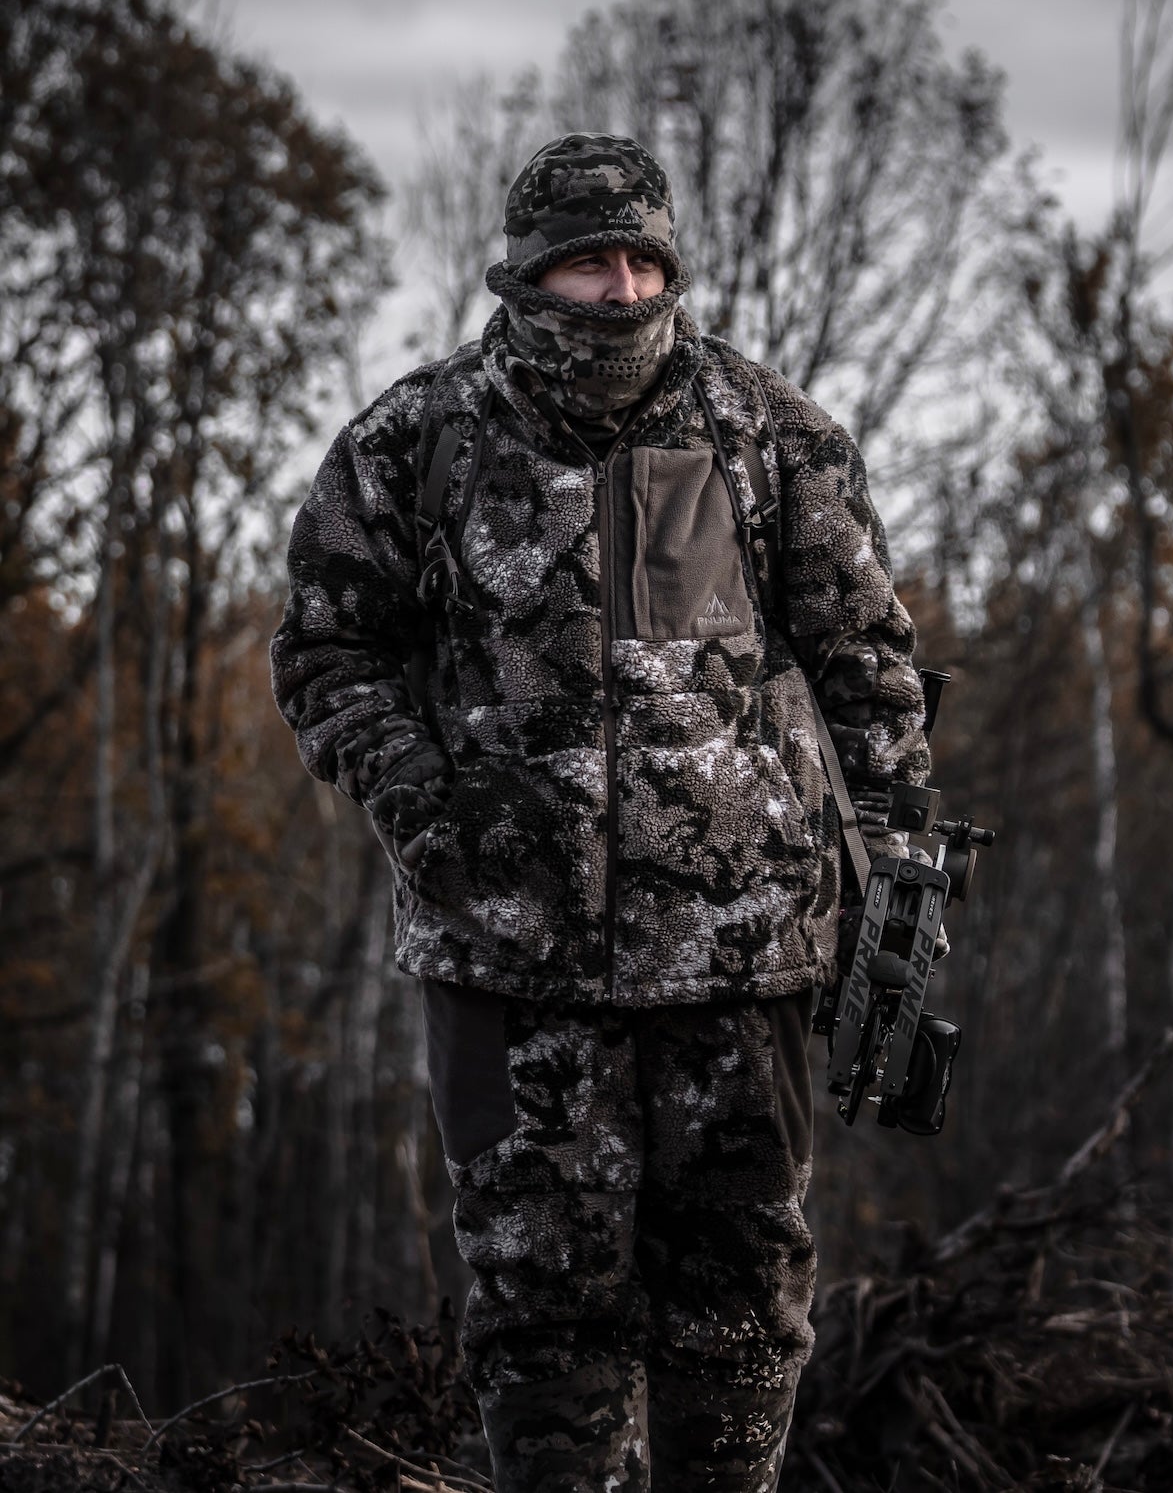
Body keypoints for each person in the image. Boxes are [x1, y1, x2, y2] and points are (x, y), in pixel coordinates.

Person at [270, 133, 930, 1491]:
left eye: (643, 260)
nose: (622, 289)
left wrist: (902, 882)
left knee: (742, 1318)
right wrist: (425, 807)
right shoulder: (415, 440)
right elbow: (327, 651)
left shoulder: (773, 434)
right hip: (512, 968)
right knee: (540, 1327)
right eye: (590, 261)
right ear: (527, 273)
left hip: (740, 969)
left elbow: (869, 665)